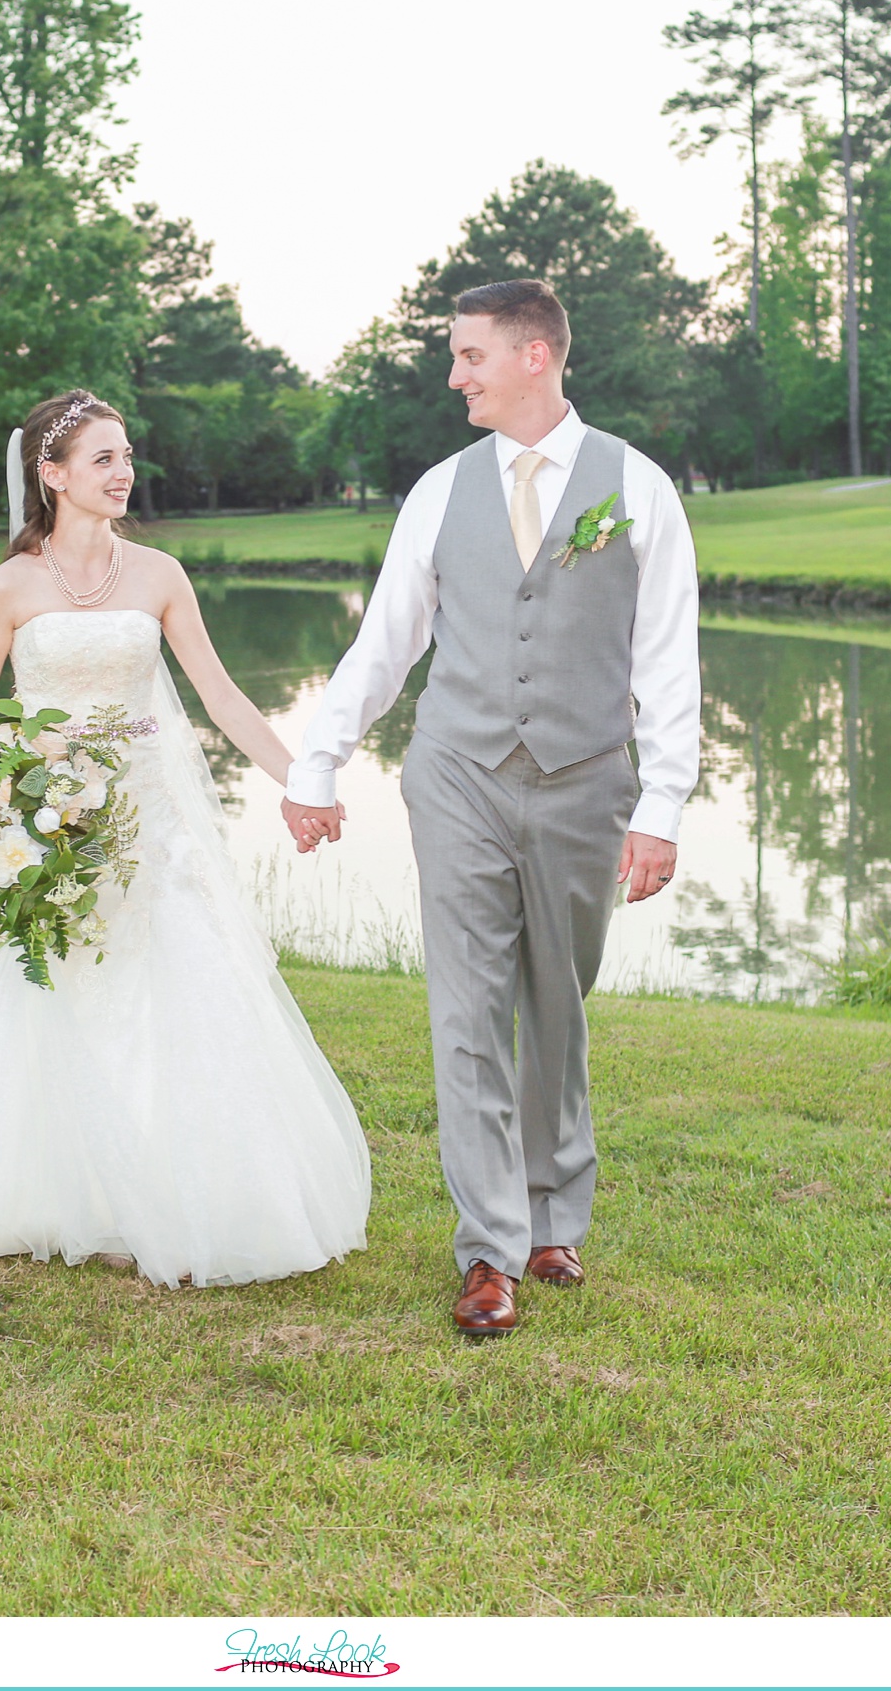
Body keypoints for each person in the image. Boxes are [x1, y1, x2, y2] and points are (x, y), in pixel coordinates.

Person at [0, 390, 371, 1288]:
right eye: (104, 459)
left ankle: (164, 1188)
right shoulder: (9, 585)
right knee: (40, 991)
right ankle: (42, 1184)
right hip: (42, 819)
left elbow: (224, 698)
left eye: (127, 457)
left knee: (171, 986)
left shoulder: (159, 574)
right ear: (52, 475)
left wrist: (304, 779)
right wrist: (2, 804)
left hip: (148, 826)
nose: (124, 474)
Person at [281, 281, 699, 1335]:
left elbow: (667, 658)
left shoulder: (636, 488)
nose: (455, 374)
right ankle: (489, 1251)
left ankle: (556, 1216)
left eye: (470, 355)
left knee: (559, 1002)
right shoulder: (439, 490)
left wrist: (663, 804)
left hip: (587, 782)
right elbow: (385, 643)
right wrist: (317, 765)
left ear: (535, 356)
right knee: (468, 1012)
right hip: (458, 775)